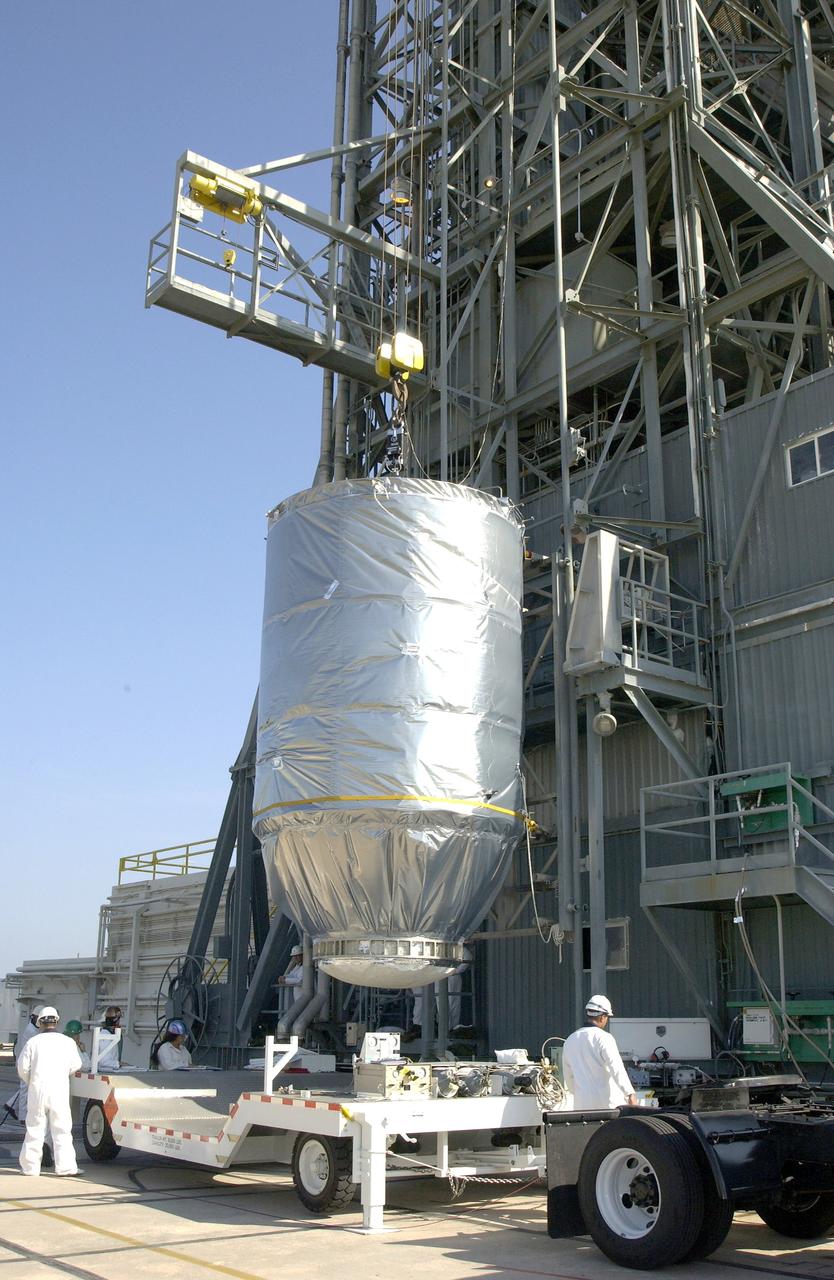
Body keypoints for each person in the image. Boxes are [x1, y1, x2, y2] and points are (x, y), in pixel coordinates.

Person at [17, 1007, 82, 1177]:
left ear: (40, 1022)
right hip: (59, 1089)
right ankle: (66, 1167)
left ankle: (30, 1168)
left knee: (34, 1128)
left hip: (37, 1089)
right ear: (57, 1021)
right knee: (62, 1129)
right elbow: (76, 1064)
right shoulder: (68, 1042)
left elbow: (22, 1068)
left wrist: (31, 1081)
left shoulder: (33, 1042)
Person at [562, 994, 637, 1110]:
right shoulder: (604, 1038)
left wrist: (580, 1093)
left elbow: (568, 1077)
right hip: (608, 1106)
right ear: (603, 1017)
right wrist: (630, 1093)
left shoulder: (570, 1040)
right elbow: (617, 1069)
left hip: (582, 1107)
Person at [412, 948, 472, 1032]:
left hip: (447, 976)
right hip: (427, 974)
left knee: (448, 1002)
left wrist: (454, 972)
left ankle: (448, 1029)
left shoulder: (454, 944)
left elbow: (467, 957)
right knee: (423, 1000)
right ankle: (420, 1027)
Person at [6, 1008, 41, 1123]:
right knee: (25, 1089)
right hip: (26, 1064)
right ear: (34, 1017)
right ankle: (22, 1117)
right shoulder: (31, 1031)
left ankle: (10, 1104)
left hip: (28, 1063)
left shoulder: (33, 1029)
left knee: (26, 1088)